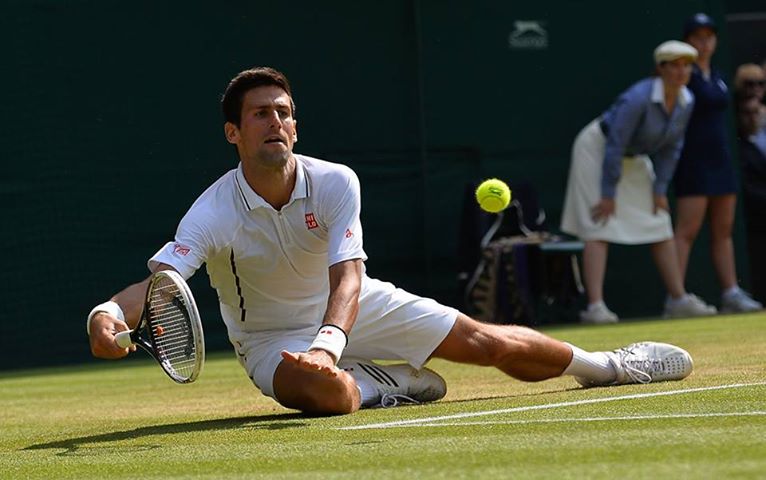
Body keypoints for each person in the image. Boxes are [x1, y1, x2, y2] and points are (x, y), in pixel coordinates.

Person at [87, 66, 694, 415]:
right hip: (269, 338)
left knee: (486, 343)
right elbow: (161, 283)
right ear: (233, 132)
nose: (276, 122)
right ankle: (392, 383)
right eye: (260, 114)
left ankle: (611, 367)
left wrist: (329, 341)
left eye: (284, 112)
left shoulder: (334, 181)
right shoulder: (212, 211)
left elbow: (348, 276)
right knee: (327, 398)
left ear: (295, 125)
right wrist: (108, 313)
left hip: (353, 305)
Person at [561, 41, 717, 324]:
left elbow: (673, 147)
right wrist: (608, 193)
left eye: (687, 66)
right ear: (662, 68)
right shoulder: (638, 98)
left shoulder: (687, 100)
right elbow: (615, 145)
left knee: (659, 221)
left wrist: (660, 190)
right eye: (676, 65)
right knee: (598, 223)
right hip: (598, 150)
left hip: (634, 159)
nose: (682, 72)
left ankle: (678, 299)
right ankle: (595, 307)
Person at [671, 13, 762, 314]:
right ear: (688, 42)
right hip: (693, 163)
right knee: (686, 230)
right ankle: (676, 296)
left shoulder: (720, 77)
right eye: (698, 36)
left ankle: (730, 292)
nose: (705, 42)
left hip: (721, 162)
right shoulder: (685, 76)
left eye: (709, 35)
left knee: (723, 231)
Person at [736, 95, 766, 303]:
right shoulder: (740, 149)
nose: (752, 119)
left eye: (756, 113)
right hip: (756, 221)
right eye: (746, 113)